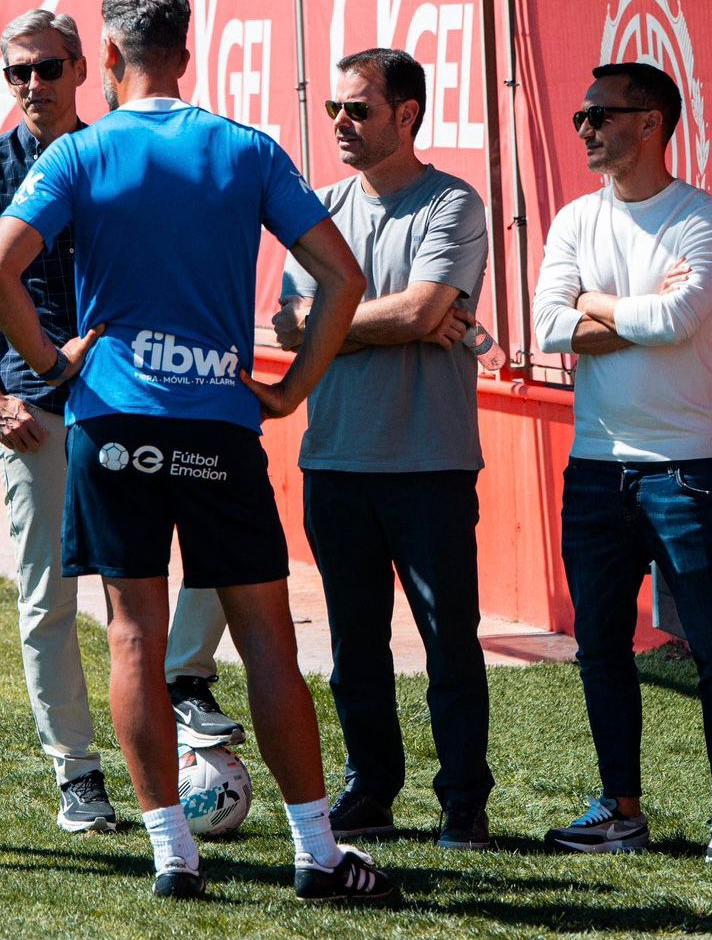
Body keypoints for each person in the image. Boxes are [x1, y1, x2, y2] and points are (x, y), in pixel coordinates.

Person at [0, 0, 394, 903]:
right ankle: (318, 855)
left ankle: (173, 857)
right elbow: (344, 277)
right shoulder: (246, 149)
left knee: (132, 636)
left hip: (113, 425)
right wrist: (294, 390)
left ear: (107, 59)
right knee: (266, 640)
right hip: (218, 425)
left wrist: (48, 362)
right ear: (187, 56)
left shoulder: (80, 152)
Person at [0, 9, 239, 836]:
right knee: (48, 600)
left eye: (49, 68)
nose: (34, 85)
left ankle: (182, 678)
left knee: (212, 553)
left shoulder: (114, 154)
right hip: (34, 415)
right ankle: (79, 775)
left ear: (84, 70)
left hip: (132, 403)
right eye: (18, 72)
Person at [532, 61, 712, 863]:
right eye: (580, 117)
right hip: (595, 467)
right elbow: (547, 328)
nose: (586, 129)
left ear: (652, 122)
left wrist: (593, 302)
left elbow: (678, 320)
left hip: (687, 469)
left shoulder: (707, 219)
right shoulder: (574, 219)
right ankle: (620, 810)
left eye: (600, 115)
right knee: (600, 646)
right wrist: (634, 309)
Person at [274, 48, 495, 849]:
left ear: (407, 115)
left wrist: (347, 323)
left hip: (430, 464)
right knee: (354, 648)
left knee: (449, 644)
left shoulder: (453, 204)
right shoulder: (319, 207)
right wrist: (398, 320)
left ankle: (463, 802)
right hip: (335, 461)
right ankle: (371, 790)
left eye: (358, 109)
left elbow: (421, 311)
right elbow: (289, 326)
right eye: (334, 108)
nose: (341, 122)